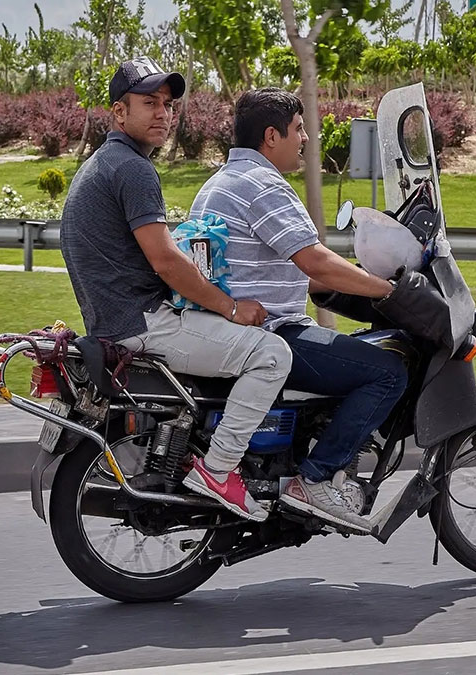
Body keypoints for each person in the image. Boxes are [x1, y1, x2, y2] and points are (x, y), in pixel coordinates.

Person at [60, 58, 292, 523]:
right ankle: (220, 469)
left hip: (116, 321)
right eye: (149, 103)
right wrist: (230, 307)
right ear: (118, 113)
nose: (163, 113)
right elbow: (165, 261)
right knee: (272, 355)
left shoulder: (101, 164)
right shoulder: (133, 170)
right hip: (145, 323)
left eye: (168, 104)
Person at [189, 88, 409, 533]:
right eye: (299, 128)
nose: (307, 137)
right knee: (389, 371)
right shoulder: (262, 185)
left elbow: (297, 272)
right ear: (272, 136)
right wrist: (390, 291)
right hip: (272, 334)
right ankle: (317, 479)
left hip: (231, 330)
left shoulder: (222, 181)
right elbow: (315, 260)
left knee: (352, 355)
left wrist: (354, 290)